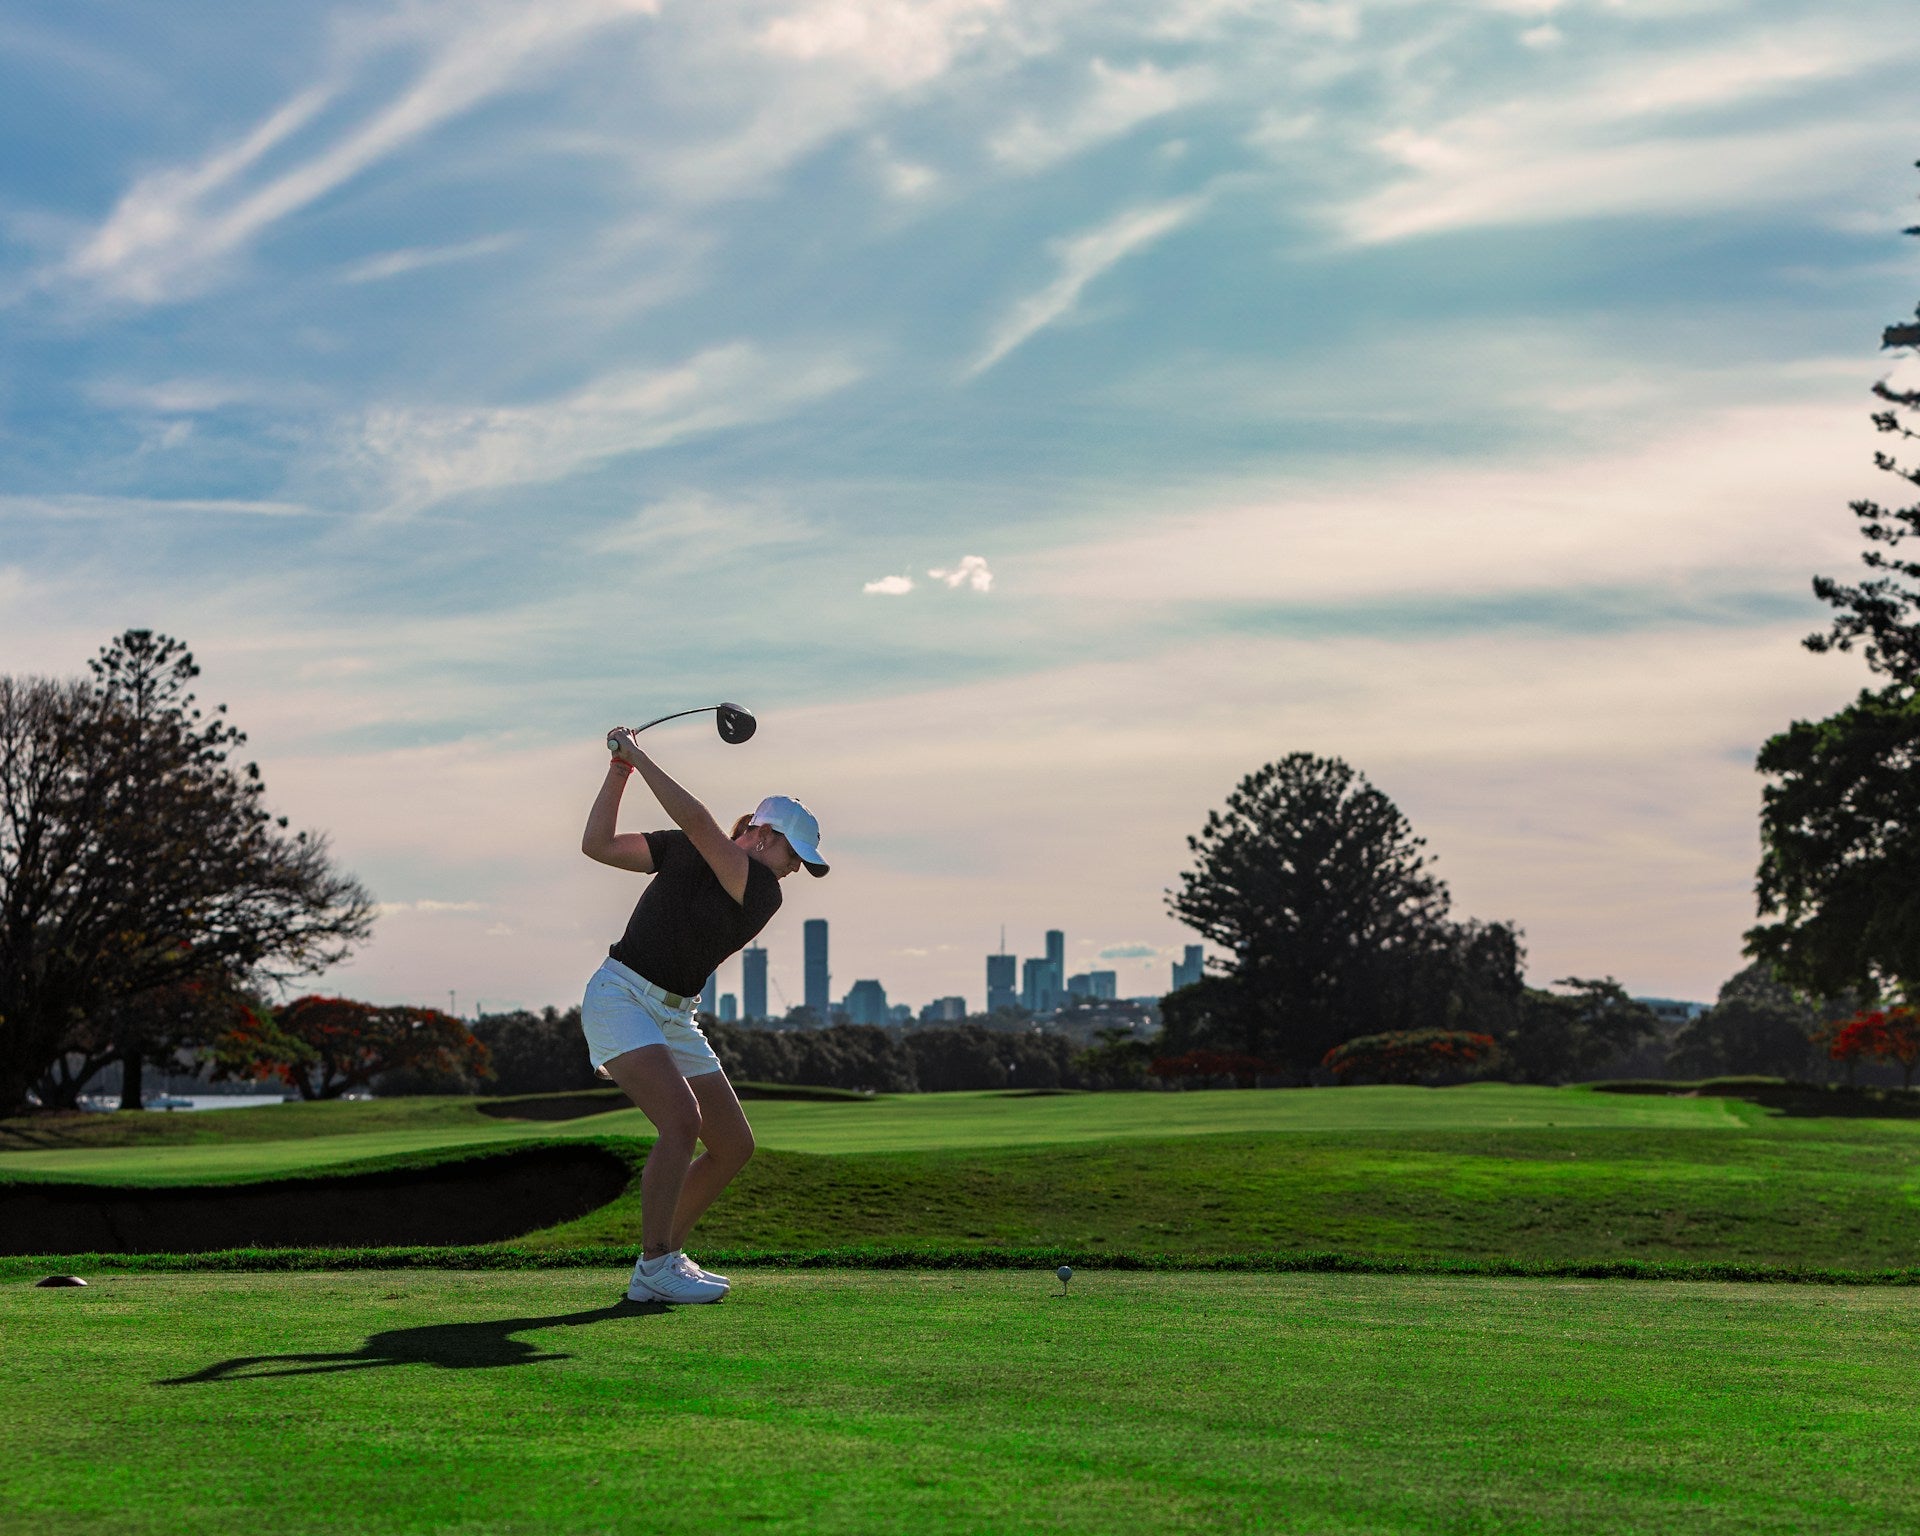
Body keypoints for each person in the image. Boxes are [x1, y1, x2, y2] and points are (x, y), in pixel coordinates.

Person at [579, 727, 828, 1303]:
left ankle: (661, 1261)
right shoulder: (692, 849)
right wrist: (619, 773)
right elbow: (598, 845)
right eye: (794, 854)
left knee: (733, 1144)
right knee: (681, 1122)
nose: (794, 869)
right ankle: (656, 1263)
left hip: (674, 1015)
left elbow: (699, 825)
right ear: (764, 835)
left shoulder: (762, 890)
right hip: (620, 997)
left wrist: (638, 756)